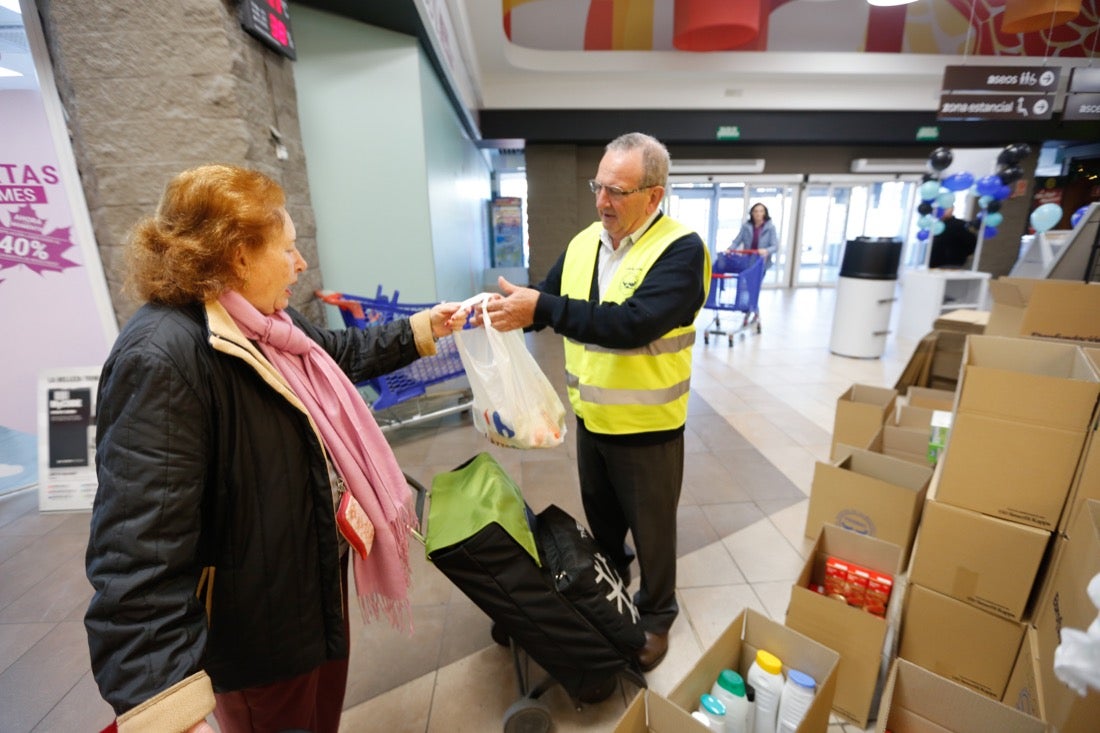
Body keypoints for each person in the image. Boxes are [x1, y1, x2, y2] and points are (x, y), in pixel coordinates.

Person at [84, 164, 466, 733]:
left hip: (307, 586)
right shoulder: (162, 358)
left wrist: (422, 329)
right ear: (239, 254)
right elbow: (139, 554)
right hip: (257, 626)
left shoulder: (265, 323)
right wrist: (165, 710)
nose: (301, 263)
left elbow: (337, 352)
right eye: (287, 249)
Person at [479, 132, 711, 672]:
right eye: (598, 187)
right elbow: (551, 297)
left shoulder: (681, 250)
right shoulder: (587, 240)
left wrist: (546, 308)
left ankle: (657, 617)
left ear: (654, 196)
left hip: (648, 427)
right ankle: (610, 587)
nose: (603, 201)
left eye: (618, 192)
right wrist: (512, 307)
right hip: (593, 419)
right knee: (604, 526)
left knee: (653, 534)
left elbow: (631, 325)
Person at [726, 202, 778, 267]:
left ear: (765, 213)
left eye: (761, 211)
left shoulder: (770, 228)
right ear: (752, 213)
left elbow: (775, 247)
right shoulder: (746, 227)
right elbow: (737, 241)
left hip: (761, 261)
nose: (758, 214)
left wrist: (766, 250)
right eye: (756, 211)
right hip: (747, 260)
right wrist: (729, 249)